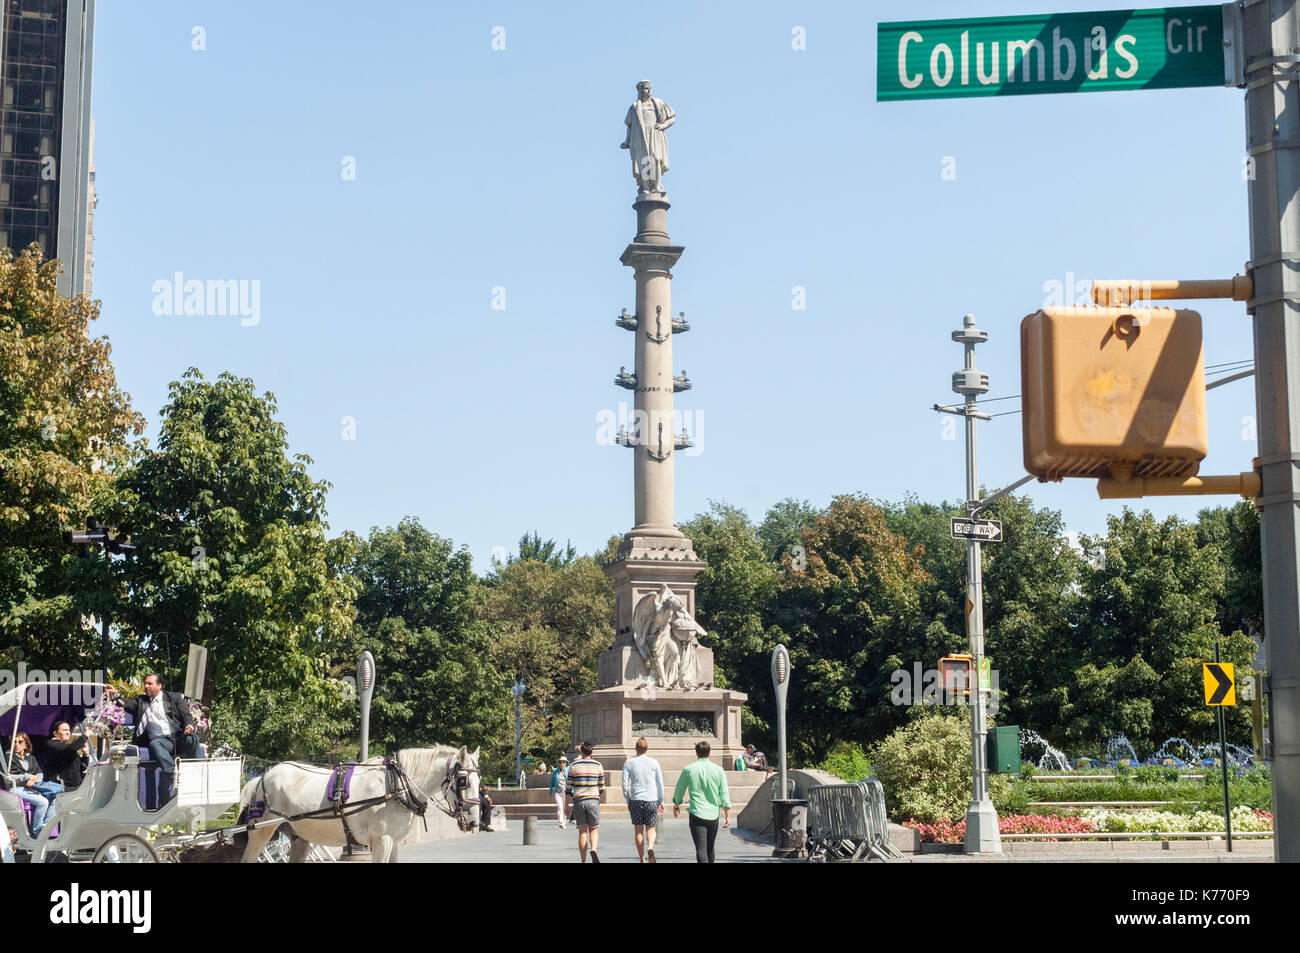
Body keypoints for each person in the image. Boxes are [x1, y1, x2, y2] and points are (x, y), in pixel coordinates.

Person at [104, 673, 199, 791]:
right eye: (145, 683)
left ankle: (199, 772)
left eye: (150, 683)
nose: (146, 686)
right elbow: (126, 705)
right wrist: (116, 695)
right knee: (155, 744)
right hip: (160, 742)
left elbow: (186, 715)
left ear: (160, 686)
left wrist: (189, 726)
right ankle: (175, 775)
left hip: (176, 737)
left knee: (193, 739)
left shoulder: (173, 698)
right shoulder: (141, 701)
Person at [673, 740, 731, 864]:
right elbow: (724, 793)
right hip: (713, 814)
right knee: (710, 848)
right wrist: (727, 815)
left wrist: (676, 805)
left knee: (701, 849)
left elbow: (680, 789)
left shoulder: (688, 769)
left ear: (696, 753)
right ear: (709, 753)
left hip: (697, 814)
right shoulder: (719, 770)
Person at [6, 733, 61, 837]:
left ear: (26, 744)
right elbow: (9, 776)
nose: (16, 744)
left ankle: (46, 828)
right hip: (15, 787)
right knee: (43, 802)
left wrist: (34, 780)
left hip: (31, 786)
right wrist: (28, 777)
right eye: (14, 742)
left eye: (20, 742)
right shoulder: (8, 757)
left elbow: (40, 774)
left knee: (54, 798)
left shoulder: (31, 758)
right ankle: (37, 831)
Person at [621, 737, 665, 863]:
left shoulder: (629, 763)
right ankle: (650, 847)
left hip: (636, 799)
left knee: (638, 831)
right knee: (651, 828)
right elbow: (660, 784)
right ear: (647, 748)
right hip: (651, 799)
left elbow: (624, 784)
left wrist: (628, 799)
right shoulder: (654, 763)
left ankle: (642, 859)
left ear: (635, 749)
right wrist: (660, 801)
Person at [565, 741, 604, 863]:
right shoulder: (598, 765)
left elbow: (569, 788)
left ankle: (583, 861)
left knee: (582, 832)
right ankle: (593, 849)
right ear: (592, 751)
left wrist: (566, 804)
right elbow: (601, 787)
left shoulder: (574, 765)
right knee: (594, 829)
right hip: (593, 800)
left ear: (581, 750)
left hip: (579, 801)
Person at [45, 722, 90, 791]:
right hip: (60, 787)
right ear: (55, 733)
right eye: (64, 730)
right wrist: (85, 736)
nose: (68, 732)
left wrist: (85, 755)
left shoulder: (67, 748)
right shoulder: (52, 744)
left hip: (75, 787)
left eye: (69, 730)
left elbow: (81, 768)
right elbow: (70, 749)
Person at [550, 755, 570, 829]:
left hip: (565, 792)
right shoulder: (556, 772)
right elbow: (552, 781)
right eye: (561, 762)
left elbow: (571, 781)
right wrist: (551, 790)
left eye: (564, 762)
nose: (562, 764)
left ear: (566, 763)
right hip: (557, 792)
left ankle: (564, 822)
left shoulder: (568, 771)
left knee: (564, 807)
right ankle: (561, 822)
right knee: (560, 807)